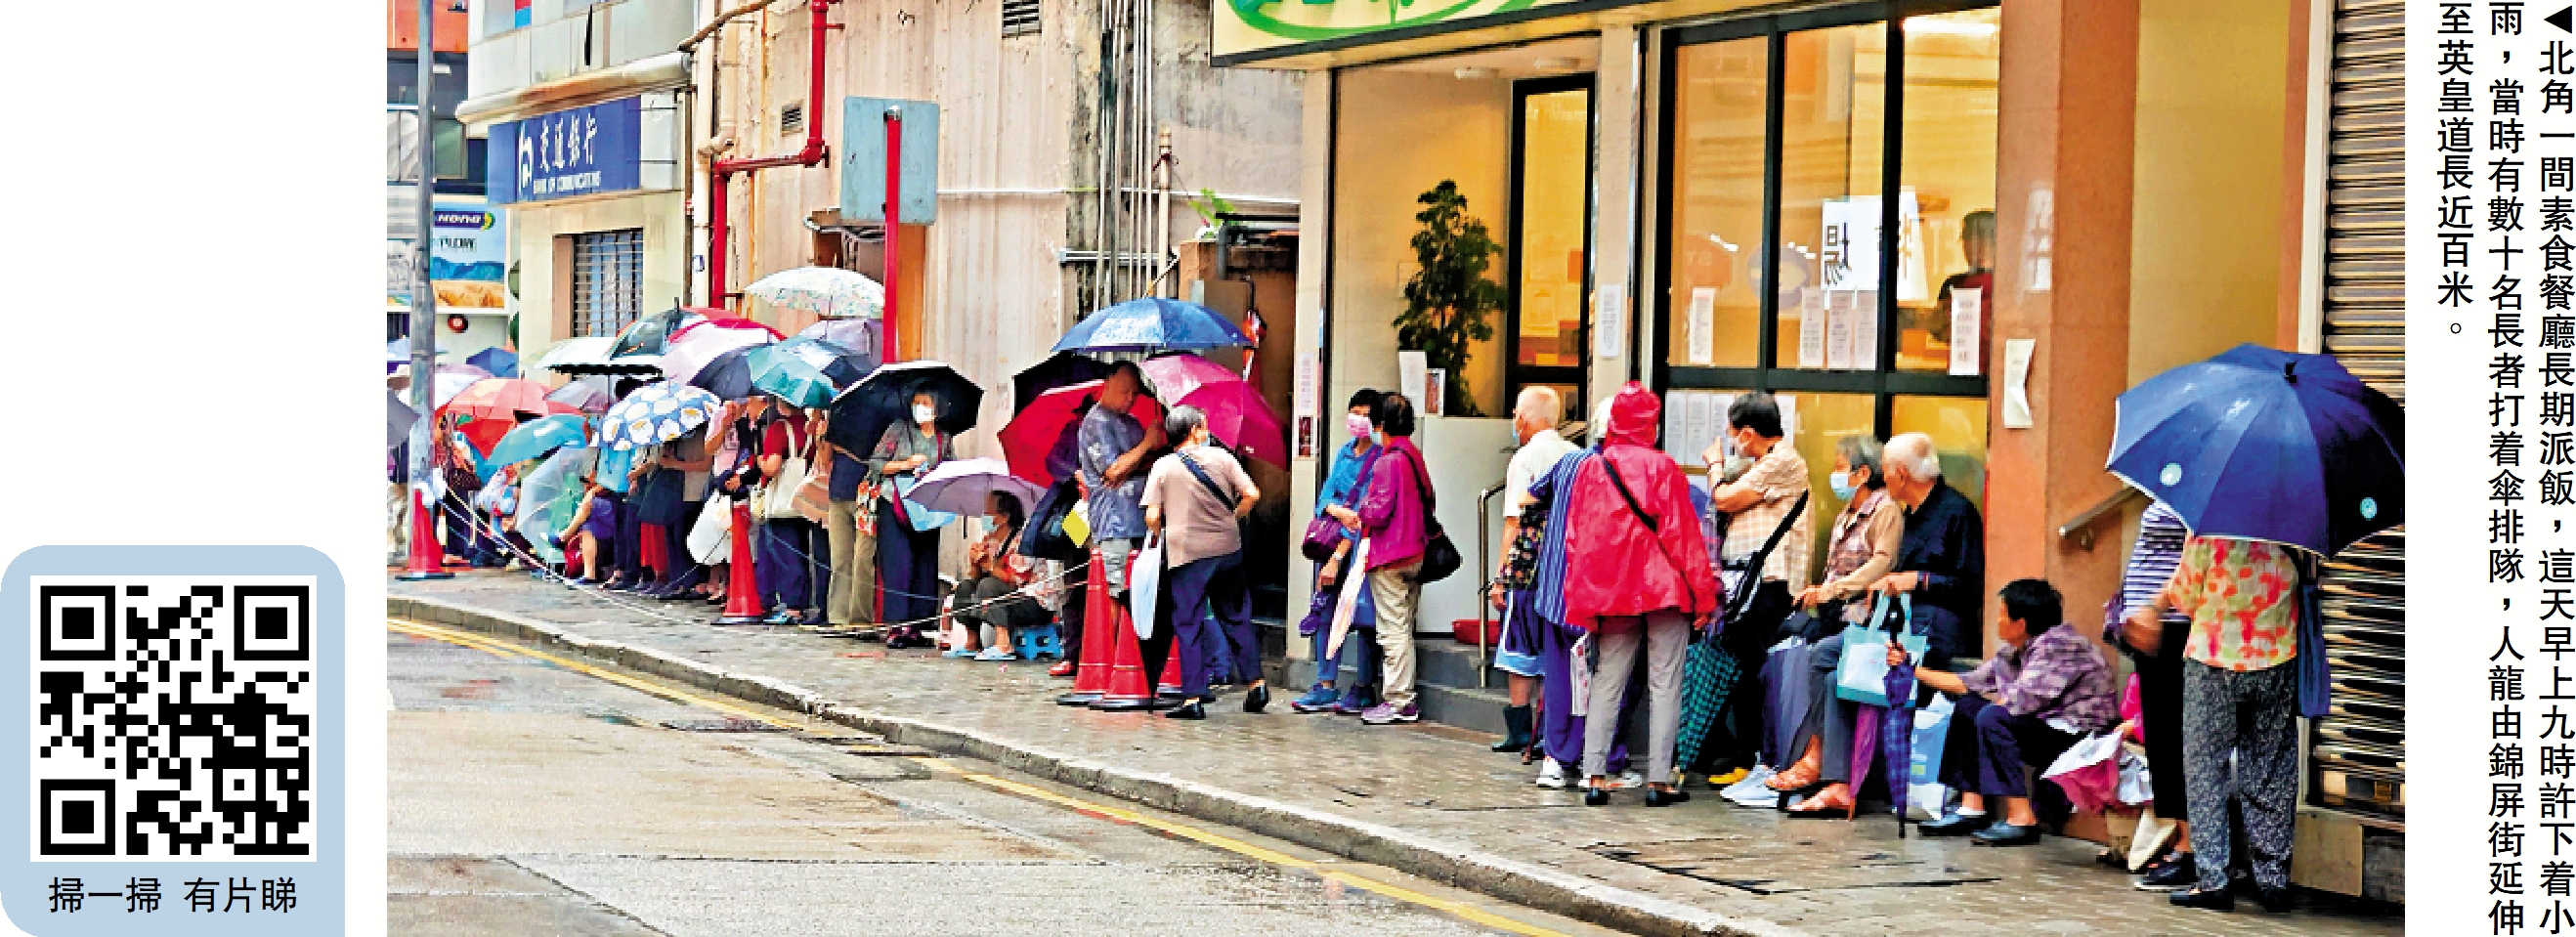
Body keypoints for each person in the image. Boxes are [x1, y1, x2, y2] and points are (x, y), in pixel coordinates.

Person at [1562, 383, 1716, 806]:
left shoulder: (1592, 469)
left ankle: (1593, 775)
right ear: (1652, 424)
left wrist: (1585, 597)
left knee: (1607, 680)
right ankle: (1659, 781)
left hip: (1611, 591)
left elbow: (1578, 539)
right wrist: (1704, 596)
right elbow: (1683, 538)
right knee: (1666, 683)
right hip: (1663, 587)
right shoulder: (1663, 468)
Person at [2141, 532, 2306, 912]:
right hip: (2276, 656)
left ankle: (2214, 880)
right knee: (2271, 769)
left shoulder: (2209, 529)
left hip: (2213, 661)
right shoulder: (2293, 527)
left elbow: (2184, 596)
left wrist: (2155, 604)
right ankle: (2273, 882)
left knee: (2205, 769)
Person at [1902, 578, 2118, 846]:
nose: (1997, 620)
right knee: (1968, 707)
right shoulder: (2015, 651)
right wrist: (1910, 669)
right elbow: (1967, 683)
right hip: (2046, 726)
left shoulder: (2060, 646)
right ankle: (1972, 808)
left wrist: (1996, 705)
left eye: (2002, 613)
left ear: (2021, 623)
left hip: (2078, 737)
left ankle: (2021, 818)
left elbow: (2022, 701)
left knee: (1992, 717)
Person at [1772, 435, 1904, 814]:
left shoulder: (1885, 511)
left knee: (1820, 656)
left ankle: (1814, 756)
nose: (1835, 474)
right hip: (1837, 617)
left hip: (1867, 621)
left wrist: (1832, 590)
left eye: (1840, 467)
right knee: (1813, 664)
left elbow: (1882, 562)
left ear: (1863, 473)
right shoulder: (1846, 514)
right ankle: (1832, 776)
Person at [1701, 393, 1811, 780]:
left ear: (1747, 434)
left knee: (1760, 671)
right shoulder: (1765, 463)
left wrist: (1715, 466)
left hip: (1771, 585)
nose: (1732, 443)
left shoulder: (1784, 461)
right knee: (1746, 671)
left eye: (1733, 435)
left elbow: (1726, 499)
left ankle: (1760, 759)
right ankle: (1746, 757)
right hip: (1751, 587)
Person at [1139, 405, 1265, 719]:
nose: (1207, 431)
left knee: (1189, 623)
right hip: (1227, 551)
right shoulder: (1223, 458)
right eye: (1204, 426)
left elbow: (1152, 515)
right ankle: (1256, 683)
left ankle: (1192, 698)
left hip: (1187, 556)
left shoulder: (1163, 467)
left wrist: (1159, 533)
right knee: (1236, 616)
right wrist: (1233, 517)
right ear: (1193, 430)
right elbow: (1252, 493)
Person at [2107, 498, 2197, 889]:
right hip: (2153, 629)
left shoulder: (2201, 490)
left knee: (2175, 739)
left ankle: (2190, 848)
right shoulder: (2172, 484)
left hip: (2175, 626)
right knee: (2162, 739)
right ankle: (2181, 842)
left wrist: (2155, 608)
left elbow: (2194, 557)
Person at [1488, 386, 1577, 754]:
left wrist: (1500, 577)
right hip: (1565, 567)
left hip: (1527, 568)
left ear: (1522, 419)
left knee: (1519, 651)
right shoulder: (1577, 455)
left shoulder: (1524, 459)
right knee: (1554, 652)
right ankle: (1548, 730)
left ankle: (1520, 729)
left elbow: (1514, 522)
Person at [1332, 393, 1429, 726]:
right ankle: (1404, 697)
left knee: (1392, 631)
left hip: (1390, 555)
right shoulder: (1413, 455)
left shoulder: (1387, 461)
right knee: (1404, 626)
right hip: (1416, 551)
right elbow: (1429, 495)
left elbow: (1379, 510)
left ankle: (1399, 701)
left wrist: (1359, 513)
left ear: (1380, 424)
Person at [1293, 389, 1385, 714]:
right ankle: (1325, 684)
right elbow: (1324, 497)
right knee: (1324, 611)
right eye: (1354, 411)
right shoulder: (1344, 452)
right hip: (1333, 542)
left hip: (1358, 549)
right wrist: (1337, 511)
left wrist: (1337, 555)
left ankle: (1363, 686)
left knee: (1361, 616)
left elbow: (1366, 512)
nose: (1357, 418)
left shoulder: (1380, 457)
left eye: (1365, 413)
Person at [1868, 432, 1985, 666]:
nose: (1882, 477)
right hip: (1906, 617)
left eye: (1885, 470)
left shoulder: (1957, 512)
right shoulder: (1910, 513)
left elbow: (1971, 587)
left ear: (1901, 474)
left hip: (1941, 623)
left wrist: (1917, 580)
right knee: (1828, 657)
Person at [872, 390, 957, 644]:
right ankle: (896, 626)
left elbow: (953, 469)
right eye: (916, 403)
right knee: (898, 564)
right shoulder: (898, 430)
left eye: (925, 403)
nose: (920, 408)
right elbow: (877, 463)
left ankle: (918, 625)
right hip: (895, 503)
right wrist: (905, 464)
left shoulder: (944, 438)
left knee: (925, 566)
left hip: (928, 508)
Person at [1077, 362, 1166, 605]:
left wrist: (1148, 450)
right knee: (1118, 593)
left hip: (1141, 519)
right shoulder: (1096, 422)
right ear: (1106, 386)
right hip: (1114, 523)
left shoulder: (1132, 423)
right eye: (1124, 391)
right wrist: (1145, 445)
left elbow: (1135, 465)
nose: (1130, 398)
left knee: (1142, 593)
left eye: (1134, 393)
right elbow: (1113, 471)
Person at [951, 492, 1050, 661]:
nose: (984, 516)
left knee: (989, 585)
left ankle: (1003, 644)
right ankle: (972, 642)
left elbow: (1015, 581)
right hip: (1005, 597)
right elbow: (975, 578)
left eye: (988, 512)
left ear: (1004, 517)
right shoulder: (990, 541)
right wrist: (975, 562)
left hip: (1032, 602)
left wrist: (990, 566)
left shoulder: (1022, 541)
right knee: (966, 587)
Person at [753, 401, 826, 624]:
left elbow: (773, 466)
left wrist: (759, 461)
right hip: (807, 497)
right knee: (804, 551)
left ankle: (792, 607)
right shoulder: (811, 427)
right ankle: (802, 602)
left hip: (785, 501)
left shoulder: (779, 428)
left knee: (787, 553)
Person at [820, 406, 880, 629]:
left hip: (865, 493)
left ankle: (860, 619)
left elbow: (872, 456)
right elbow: (824, 459)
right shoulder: (838, 413)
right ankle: (838, 616)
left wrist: (844, 447)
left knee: (862, 558)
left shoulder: (876, 415)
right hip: (838, 491)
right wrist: (823, 435)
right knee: (840, 557)